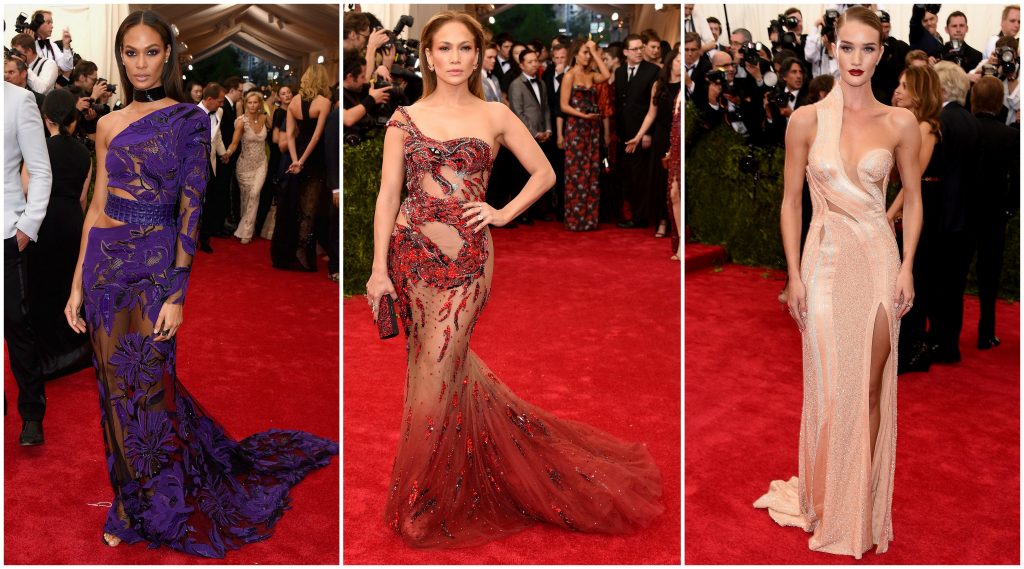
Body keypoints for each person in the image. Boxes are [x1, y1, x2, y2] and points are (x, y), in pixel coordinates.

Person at [365, 10, 663, 548]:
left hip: (468, 265)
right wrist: (378, 270)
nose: (455, 59)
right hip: (411, 260)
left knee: (435, 375)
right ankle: (440, 484)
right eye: (445, 49)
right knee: (431, 374)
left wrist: (502, 212)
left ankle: (425, 501)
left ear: (478, 56)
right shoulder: (403, 118)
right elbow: (389, 195)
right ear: (429, 56)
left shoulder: (496, 113)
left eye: (464, 49)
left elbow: (545, 172)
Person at [62, 11, 336, 556]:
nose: (140, 63)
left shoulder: (188, 119)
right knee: (114, 391)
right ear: (121, 57)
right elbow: (94, 207)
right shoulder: (107, 124)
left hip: (155, 263)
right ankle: (130, 498)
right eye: (131, 53)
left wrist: (177, 292)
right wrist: (74, 287)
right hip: (103, 267)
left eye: (151, 52)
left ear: (167, 56)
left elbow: (193, 206)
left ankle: (157, 503)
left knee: (150, 386)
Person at [753, 7, 922, 558]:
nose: (856, 59)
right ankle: (827, 493)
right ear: (832, 47)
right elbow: (789, 203)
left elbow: (914, 202)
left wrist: (907, 266)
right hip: (822, 266)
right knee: (830, 388)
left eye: (867, 49)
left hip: (876, 261)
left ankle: (860, 503)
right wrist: (794, 278)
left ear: (882, 51)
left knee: (870, 385)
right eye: (847, 47)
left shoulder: (900, 124)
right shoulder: (804, 120)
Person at [25, 89, 92, 382]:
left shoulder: (38, 149)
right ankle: (75, 351)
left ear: (46, 117)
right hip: (73, 223)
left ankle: (47, 358)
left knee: (41, 287)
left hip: (43, 222)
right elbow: (82, 198)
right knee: (70, 284)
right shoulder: (84, 152)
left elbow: (26, 191)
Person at [886, 65, 944, 373]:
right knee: (910, 276)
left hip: (922, 206)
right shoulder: (911, 125)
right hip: (913, 202)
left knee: (914, 276)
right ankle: (910, 346)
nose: (898, 90)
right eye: (899, 83)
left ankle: (914, 348)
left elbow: (914, 180)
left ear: (920, 93)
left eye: (905, 85)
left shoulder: (926, 128)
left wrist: (890, 213)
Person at [5, 80, 52, 445]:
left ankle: (32, 412)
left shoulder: (19, 100)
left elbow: (40, 169)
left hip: (7, 233)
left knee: (17, 327)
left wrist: (28, 225)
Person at [928, 61, 980, 363]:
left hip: (943, 214)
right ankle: (950, 344)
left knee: (938, 282)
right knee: (955, 284)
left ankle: (937, 340)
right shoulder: (972, 121)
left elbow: (934, 169)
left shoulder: (940, 122)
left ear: (942, 88)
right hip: (968, 216)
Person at [970, 77, 1019, 350]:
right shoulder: (1010, 135)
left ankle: (946, 332)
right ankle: (985, 333)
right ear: (999, 102)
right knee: (989, 276)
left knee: (955, 272)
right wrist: (1010, 207)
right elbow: (1017, 178)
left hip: (964, 211)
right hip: (994, 214)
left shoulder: (966, 129)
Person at [271, 63, 331, 271]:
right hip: (314, 158)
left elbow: (290, 134)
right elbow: (317, 135)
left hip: (296, 156)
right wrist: (303, 160)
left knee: (294, 203)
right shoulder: (324, 102)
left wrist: (295, 160)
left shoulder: (294, 102)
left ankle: (294, 250)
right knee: (309, 208)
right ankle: (302, 250)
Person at [559, 39, 610, 231]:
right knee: (575, 174)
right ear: (575, 55)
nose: (587, 56)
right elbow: (564, 106)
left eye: (589, 53)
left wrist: (595, 51)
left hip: (592, 129)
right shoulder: (569, 75)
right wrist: (584, 116)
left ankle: (589, 219)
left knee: (591, 172)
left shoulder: (592, 75)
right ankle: (574, 220)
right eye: (585, 52)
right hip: (576, 128)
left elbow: (607, 74)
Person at [614, 34, 660, 227]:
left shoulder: (653, 71)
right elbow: (619, 102)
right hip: (623, 132)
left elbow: (655, 105)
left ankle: (640, 217)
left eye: (641, 48)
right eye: (635, 49)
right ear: (625, 52)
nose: (639, 52)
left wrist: (648, 133)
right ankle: (630, 212)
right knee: (627, 175)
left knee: (639, 175)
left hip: (642, 132)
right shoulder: (619, 71)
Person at [226, 90, 271, 244]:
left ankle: (246, 232)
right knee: (246, 198)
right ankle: (245, 225)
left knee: (254, 194)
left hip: (261, 163)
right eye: (249, 102)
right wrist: (228, 153)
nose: (252, 105)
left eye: (255, 102)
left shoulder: (265, 119)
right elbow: (234, 143)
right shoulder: (241, 121)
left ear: (260, 104)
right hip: (244, 165)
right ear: (246, 104)